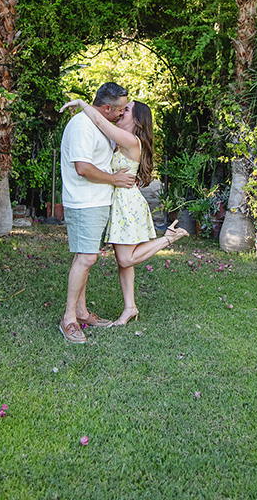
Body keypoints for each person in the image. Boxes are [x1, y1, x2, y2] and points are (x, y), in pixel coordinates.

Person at [60, 97, 189, 327]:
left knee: (125, 257)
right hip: (119, 202)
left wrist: (82, 103)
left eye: (126, 111)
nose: (120, 113)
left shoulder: (130, 140)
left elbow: (100, 121)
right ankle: (130, 307)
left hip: (127, 206)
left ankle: (168, 238)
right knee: (124, 263)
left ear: (137, 120)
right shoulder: (121, 142)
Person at [58, 82, 136, 344]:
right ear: (106, 108)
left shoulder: (95, 123)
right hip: (84, 202)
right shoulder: (82, 126)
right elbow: (82, 168)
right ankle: (69, 318)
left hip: (96, 202)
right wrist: (113, 179)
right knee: (87, 258)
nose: (122, 114)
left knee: (85, 256)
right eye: (120, 110)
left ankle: (81, 311)